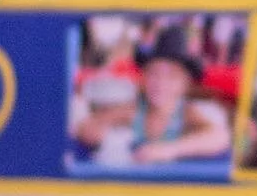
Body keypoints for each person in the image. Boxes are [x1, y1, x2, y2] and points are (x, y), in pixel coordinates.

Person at [72, 25, 232, 164]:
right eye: (153, 74)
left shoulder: (186, 113)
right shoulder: (133, 110)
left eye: (171, 77)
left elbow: (220, 137)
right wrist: (100, 135)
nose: (160, 83)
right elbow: (87, 128)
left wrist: (170, 150)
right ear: (143, 78)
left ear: (184, 84)